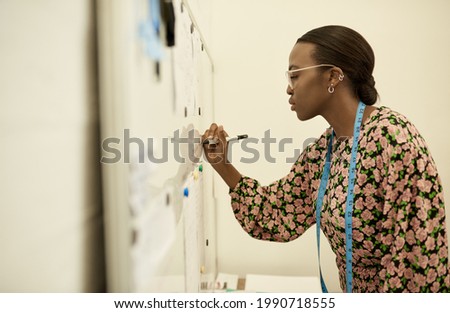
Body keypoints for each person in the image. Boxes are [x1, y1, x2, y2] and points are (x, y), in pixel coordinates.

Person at [202, 25, 450, 292]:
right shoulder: (325, 149)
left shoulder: (394, 139)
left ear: (333, 77)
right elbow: (276, 214)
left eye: (295, 75)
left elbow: (417, 263)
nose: (288, 88)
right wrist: (222, 164)